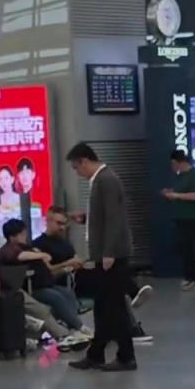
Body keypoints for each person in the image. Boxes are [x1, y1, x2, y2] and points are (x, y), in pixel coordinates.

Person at [65, 143, 135, 372]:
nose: (78, 172)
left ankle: (126, 356)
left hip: (111, 255)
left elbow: (115, 218)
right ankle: (96, 354)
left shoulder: (106, 180)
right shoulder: (100, 180)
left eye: (76, 167)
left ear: (85, 161)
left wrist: (109, 252)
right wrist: (86, 219)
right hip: (104, 254)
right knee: (103, 306)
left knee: (114, 307)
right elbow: (104, 216)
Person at [0, 219, 88, 339]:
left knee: (67, 293)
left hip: (45, 282)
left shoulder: (27, 247)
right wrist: (41, 255)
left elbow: (48, 267)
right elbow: (20, 256)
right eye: (22, 234)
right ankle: (77, 327)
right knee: (56, 297)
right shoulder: (8, 249)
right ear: (12, 237)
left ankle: (72, 324)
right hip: (32, 287)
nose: (25, 237)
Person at [164, 148, 195, 290]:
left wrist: (175, 195)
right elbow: (180, 192)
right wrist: (171, 193)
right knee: (183, 249)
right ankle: (188, 277)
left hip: (190, 218)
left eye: (173, 163)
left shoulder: (194, 176)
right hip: (180, 218)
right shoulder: (180, 176)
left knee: (190, 249)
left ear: (179, 162)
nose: (172, 167)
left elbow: (194, 195)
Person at [0, 164, 19, 232]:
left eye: (6, 178)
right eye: (0, 179)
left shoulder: (20, 198)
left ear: (12, 179)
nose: (3, 182)